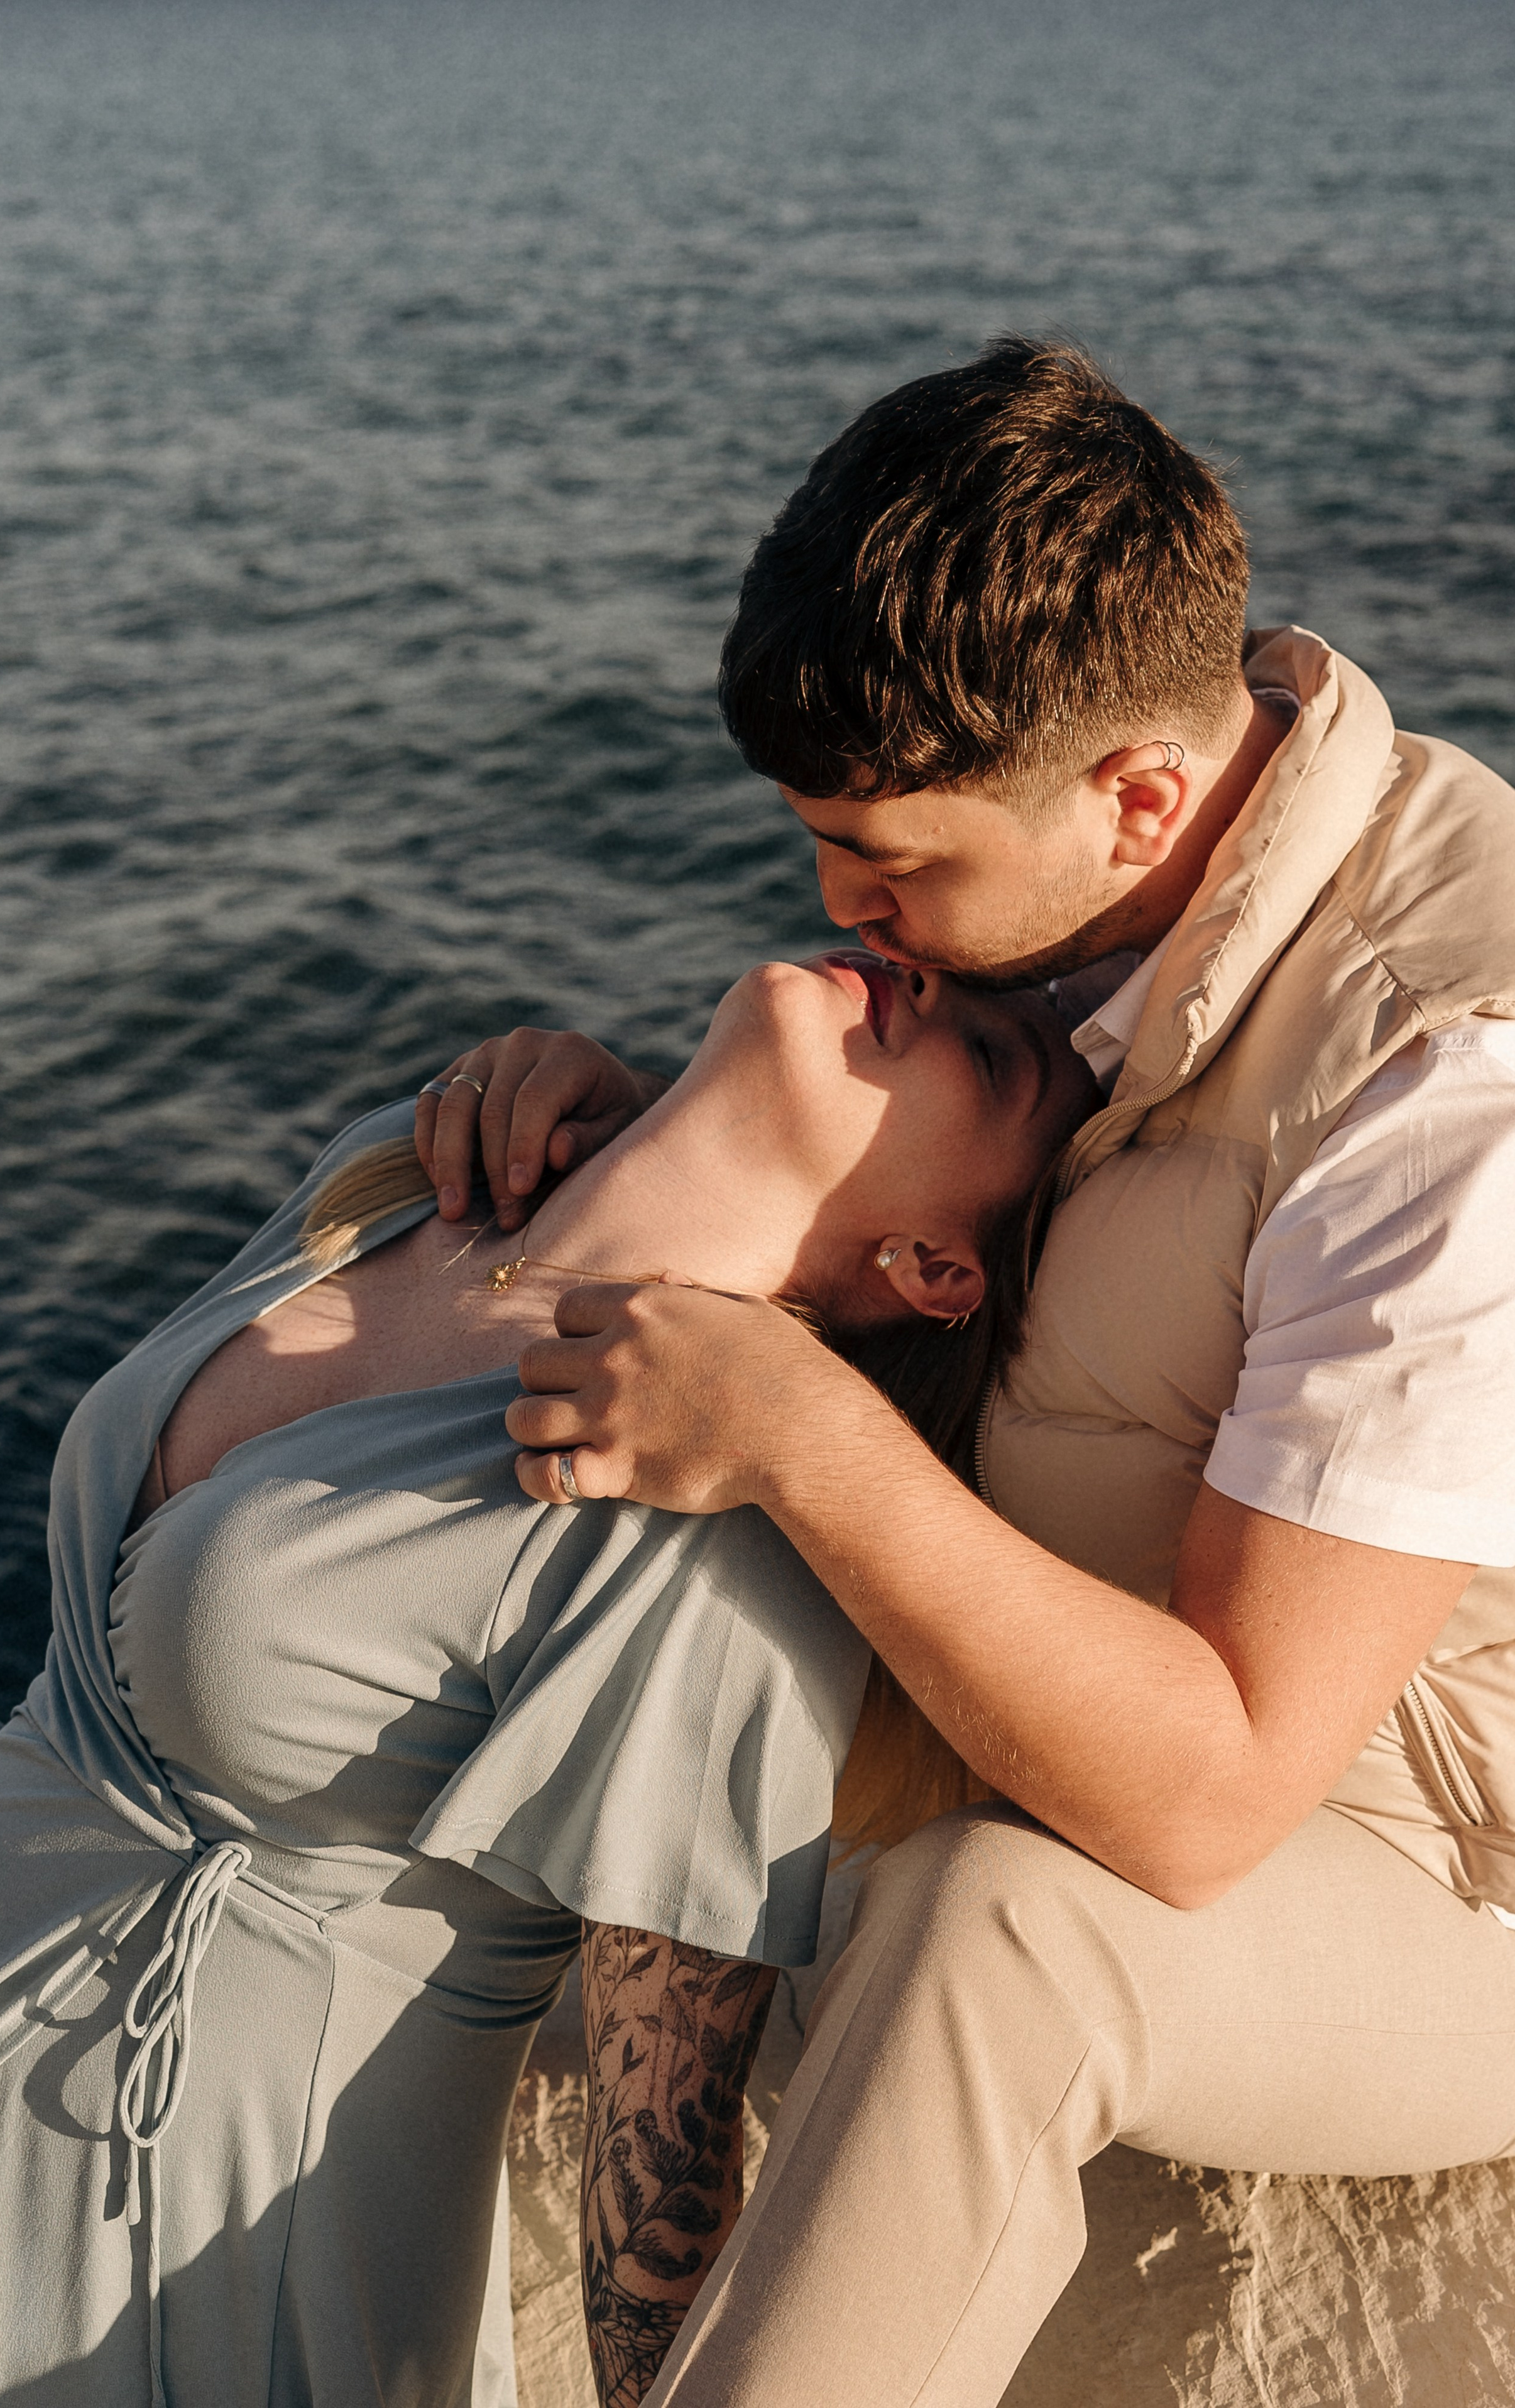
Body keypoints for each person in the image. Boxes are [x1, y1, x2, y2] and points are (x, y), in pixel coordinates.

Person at [426, 337, 1515, 2406]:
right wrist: (645, 1138)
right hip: (1030, 1682)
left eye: (891, 860)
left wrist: (815, 1441)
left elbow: (1211, 1803)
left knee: (995, 1936)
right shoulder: (1088, 885)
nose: (845, 908)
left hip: (1438, 1867)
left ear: (1141, 795)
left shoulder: (1446, 1086)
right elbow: (992, 1236)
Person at [0, 942, 1090, 2408]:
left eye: (987, 1058)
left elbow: (658, 2176)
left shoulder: (704, 1525)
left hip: (148, 2233)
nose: (915, 977)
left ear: (931, 1265)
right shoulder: (409, 1181)